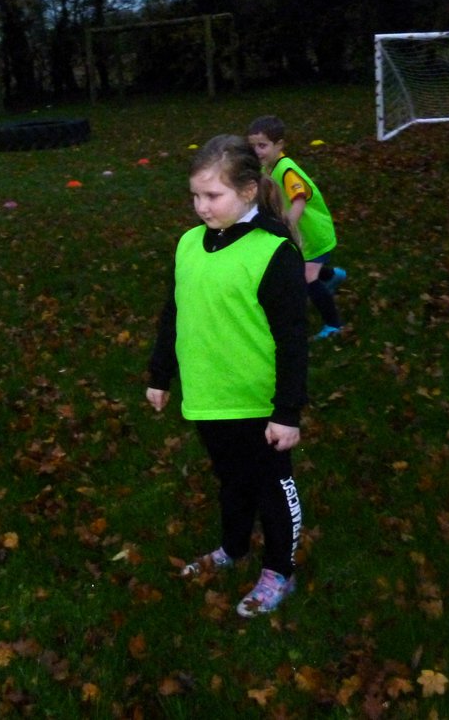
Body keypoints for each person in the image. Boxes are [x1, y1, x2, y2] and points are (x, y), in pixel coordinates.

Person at [146, 134, 307, 618]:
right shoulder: (189, 245)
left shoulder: (273, 252)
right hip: (208, 396)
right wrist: (160, 374)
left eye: (212, 196)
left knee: (271, 486)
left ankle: (280, 569)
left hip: (258, 403)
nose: (200, 207)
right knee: (231, 481)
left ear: (248, 193)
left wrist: (287, 411)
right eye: (195, 196)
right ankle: (234, 548)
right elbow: (174, 313)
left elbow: (293, 341)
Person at [247, 115, 346, 339]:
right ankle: (332, 276)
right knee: (306, 267)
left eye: (262, 146)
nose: (257, 151)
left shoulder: (286, 169)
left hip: (314, 233)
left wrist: (288, 225)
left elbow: (299, 198)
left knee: (306, 275)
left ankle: (334, 324)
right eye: (253, 146)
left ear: (279, 145)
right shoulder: (267, 169)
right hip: (303, 236)